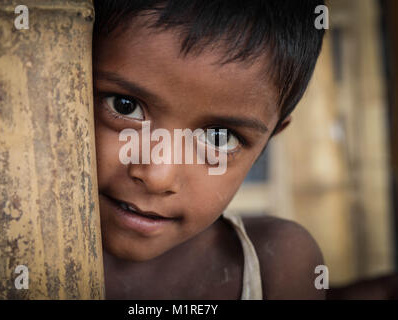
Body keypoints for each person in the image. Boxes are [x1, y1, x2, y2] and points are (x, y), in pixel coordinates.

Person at [93, 0, 326, 299]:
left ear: (268, 139)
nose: (157, 176)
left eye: (219, 137)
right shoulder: (17, 253)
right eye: (125, 107)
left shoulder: (277, 265)